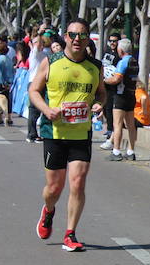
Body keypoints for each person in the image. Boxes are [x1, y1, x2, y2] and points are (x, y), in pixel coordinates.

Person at [29, 17, 105, 252]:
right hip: (54, 132)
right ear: (65, 37)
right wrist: (46, 110)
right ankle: (49, 211)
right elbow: (33, 90)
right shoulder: (51, 62)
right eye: (72, 35)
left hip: (81, 134)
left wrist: (100, 105)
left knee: (78, 183)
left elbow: (102, 93)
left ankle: (70, 233)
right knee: (54, 189)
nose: (77, 40)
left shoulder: (95, 66)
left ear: (87, 39)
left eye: (82, 35)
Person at [105, 39, 140, 161]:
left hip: (120, 96)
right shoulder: (135, 61)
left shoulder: (122, 62)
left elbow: (116, 79)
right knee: (131, 125)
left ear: (121, 50)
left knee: (118, 124)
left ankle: (116, 151)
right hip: (131, 95)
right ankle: (131, 151)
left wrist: (105, 80)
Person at [99, 32, 121, 149]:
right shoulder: (106, 52)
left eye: (115, 41)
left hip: (113, 85)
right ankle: (109, 129)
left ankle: (111, 130)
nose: (112, 43)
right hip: (104, 83)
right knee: (105, 107)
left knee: (111, 108)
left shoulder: (119, 54)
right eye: (111, 41)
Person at [0, 43, 14, 125]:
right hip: (8, 82)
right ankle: (9, 117)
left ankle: (0, 117)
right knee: (7, 100)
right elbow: (12, 71)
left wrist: (2, 83)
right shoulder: (9, 59)